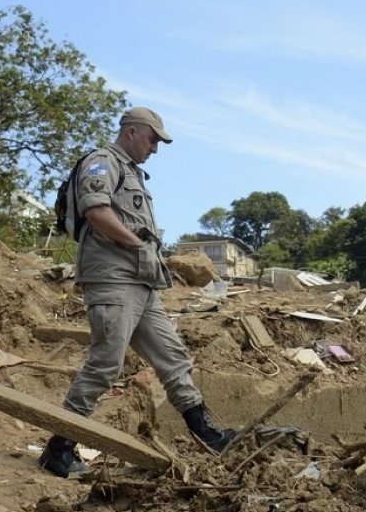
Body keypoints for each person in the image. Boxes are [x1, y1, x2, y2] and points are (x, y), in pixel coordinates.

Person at [39, 107, 237, 477]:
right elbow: (97, 212)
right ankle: (59, 447)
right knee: (106, 363)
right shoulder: (102, 162)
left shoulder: (134, 174)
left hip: (141, 284)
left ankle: (207, 434)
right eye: (152, 139)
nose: (155, 149)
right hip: (113, 279)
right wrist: (138, 246)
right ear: (131, 132)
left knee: (173, 357)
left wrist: (146, 255)